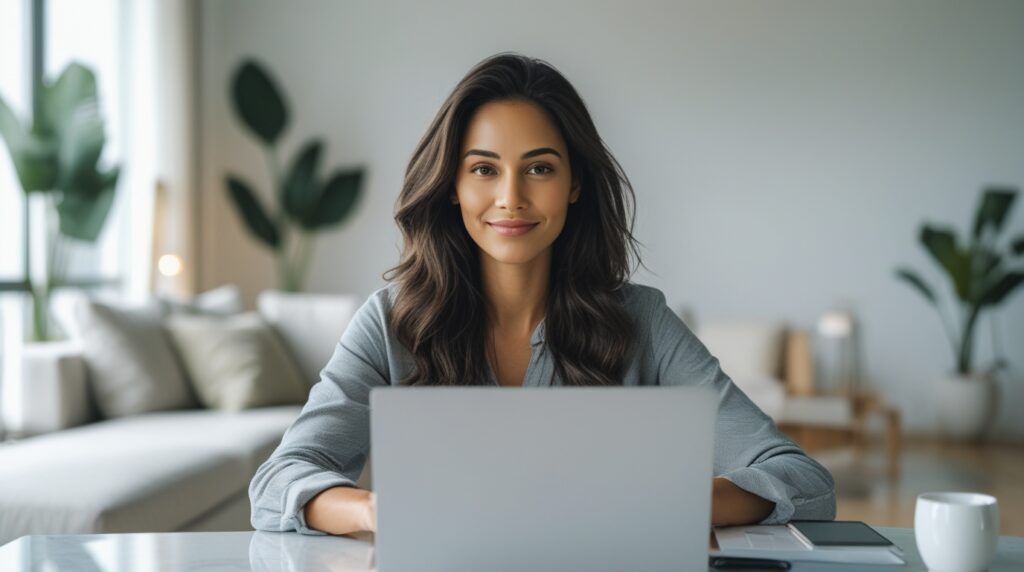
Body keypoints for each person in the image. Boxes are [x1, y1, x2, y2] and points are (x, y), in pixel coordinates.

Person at [249, 53, 836, 536]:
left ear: (574, 183)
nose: (510, 198)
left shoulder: (642, 322)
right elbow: (280, 480)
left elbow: (801, 479)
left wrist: (679, 502)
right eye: (483, 169)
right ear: (452, 185)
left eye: (539, 169)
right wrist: (375, 512)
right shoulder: (389, 323)